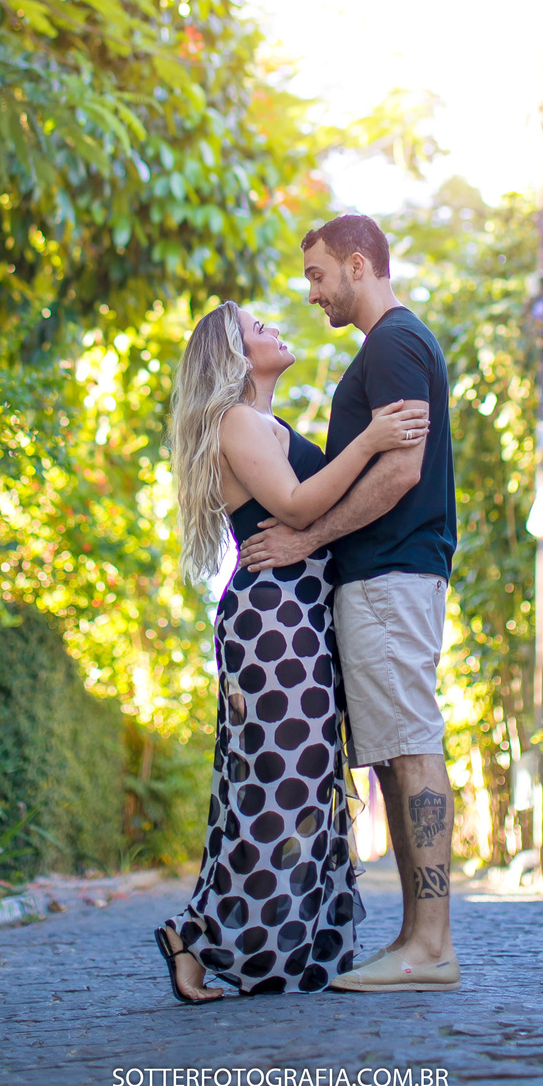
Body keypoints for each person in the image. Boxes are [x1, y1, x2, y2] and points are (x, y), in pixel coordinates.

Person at [155, 299, 430, 1003]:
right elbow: (300, 507)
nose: (273, 327)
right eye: (256, 328)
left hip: (293, 616)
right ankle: (203, 935)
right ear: (236, 357)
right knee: (283, 791)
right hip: (276, 621)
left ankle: (229, 936)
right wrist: (370, 441)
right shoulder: (239, 422)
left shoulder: (262, 423)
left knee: (293, 785)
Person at [239, 214, 460, 993]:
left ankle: (432, 946)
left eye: (318, 275)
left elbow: (401, 473)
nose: (312, 292)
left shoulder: (394, 344)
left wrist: (307, 540)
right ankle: (415, 939)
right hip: (383, 576)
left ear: (358, 264)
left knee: (411, 745)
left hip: (393, 571)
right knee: (396, 755)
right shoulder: (388, 348)